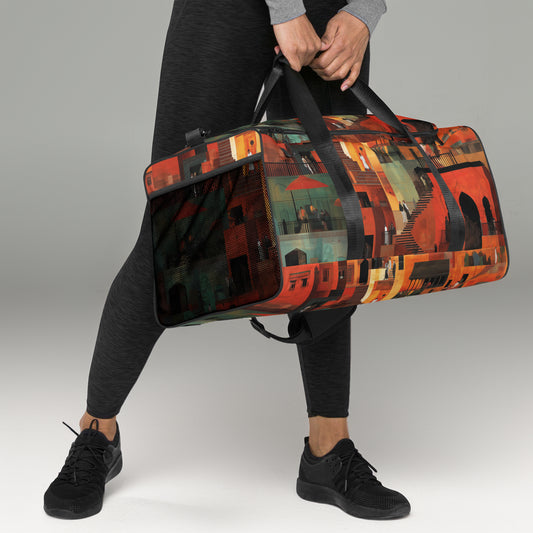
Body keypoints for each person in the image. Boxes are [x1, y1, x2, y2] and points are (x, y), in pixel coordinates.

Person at [43, 0, 410, 522]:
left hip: (335, 18)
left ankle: (328, 449)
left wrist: (365, 12)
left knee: (327, 231)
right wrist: (285, 9)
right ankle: (97, 432)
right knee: (175, 226)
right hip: (227, 11)